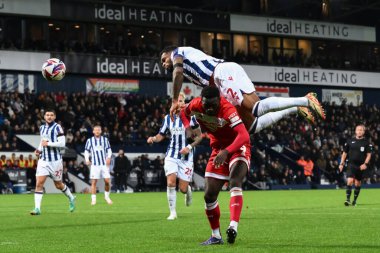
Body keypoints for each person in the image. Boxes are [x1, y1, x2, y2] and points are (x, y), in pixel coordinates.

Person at [160, 46, 325, 132]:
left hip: (221, 74)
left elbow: (178, 72)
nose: (163, 63)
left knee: (256, 108)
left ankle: (306, 99)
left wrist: (174, 100)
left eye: (163, 59)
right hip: (224, 76)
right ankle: (296, 109)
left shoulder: (177, 53)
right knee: (252, 126)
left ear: (169, 52)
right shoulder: (189, 65)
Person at [179, 86, 250, 245]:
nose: (209, 109)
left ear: (220, 100)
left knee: (234, 181)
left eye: (213, 105)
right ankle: (216, 236)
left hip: (237, 146)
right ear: (201, 101)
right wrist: (188, 128)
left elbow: (244, 135)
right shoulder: (196, 104)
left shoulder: (227, 109)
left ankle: (233, 226)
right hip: (218, 148)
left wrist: (226, 151)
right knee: (209, 195)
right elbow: (183, 113)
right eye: (206, 105)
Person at [147, 92, 203, 220]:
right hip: (172, 154)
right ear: (173, 103)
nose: (181, 103)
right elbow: (161, 135)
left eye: (183, 101)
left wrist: (189, 147)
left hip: (187, 157)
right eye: (178, 101)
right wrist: (153, 138)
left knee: (182, 188)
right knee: (171, 182)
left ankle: (187, 190)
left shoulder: (191, 118)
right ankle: (172, 212)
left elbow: (200, 137)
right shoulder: (168, 118)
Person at [30, 109, 76, 215]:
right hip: (43, 161)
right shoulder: (42, 128)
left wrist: (48, 144)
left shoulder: (57, 127)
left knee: (58, 185)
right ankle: (37, 209)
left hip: (55, 161)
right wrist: (39, 150)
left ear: (54, 117)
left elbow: (62, 143)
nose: (49, 117)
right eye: (47, 115)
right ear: (44, 117)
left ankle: (71, 198)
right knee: (39, 183)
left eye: (51, 115)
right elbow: (43, 142)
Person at [339, 124, 372, 206]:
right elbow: (344, 153)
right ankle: (347, 200)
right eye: (358, 130)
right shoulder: (350, 141)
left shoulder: (366, 143)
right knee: (349, 181)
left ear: (364, 132)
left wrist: (365, 164)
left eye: (361, 130)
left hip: (361, 166)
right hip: (351, 164)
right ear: (355, 131)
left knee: (357, 183)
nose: (359, 131)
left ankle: (354, 200)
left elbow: (369, 155)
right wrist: (341, 163)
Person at [85, 125, 113, 205]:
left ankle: (106, 197)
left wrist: (108, 158)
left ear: (101, 131)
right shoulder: (89, 140)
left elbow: (109, 150)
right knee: (94, 182)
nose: (97, 131)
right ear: (93, 131)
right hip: (95, 164)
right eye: (95, 130)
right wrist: (87, 160)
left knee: (107, 181)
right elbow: (87, 151)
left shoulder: (105, 140)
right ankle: (93, 199)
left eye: (98, 130)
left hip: (104, 164)